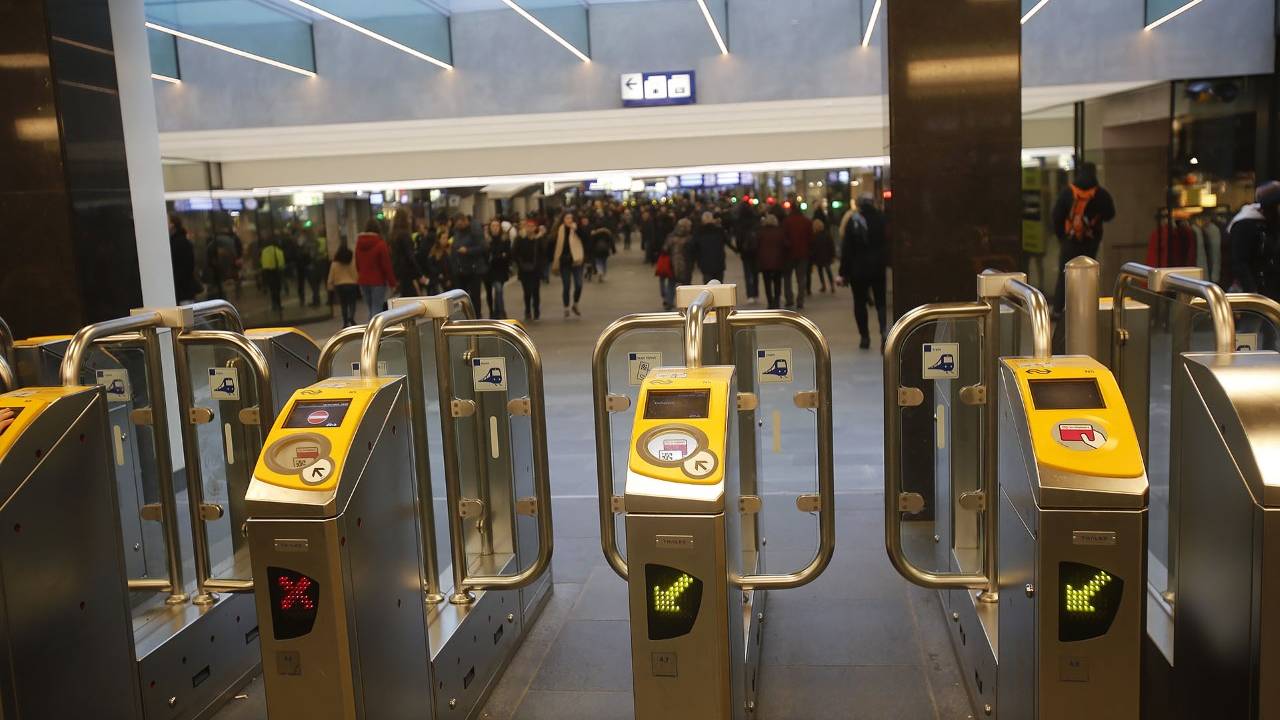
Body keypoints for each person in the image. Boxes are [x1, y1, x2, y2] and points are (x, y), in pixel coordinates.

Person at [1051, 162, 1116, 314]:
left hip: (1070, 241)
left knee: (1064, 275)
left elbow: (1056, 216)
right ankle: (1086, 309)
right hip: (1090, 242)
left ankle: (1058, 310)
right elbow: (1110, 215)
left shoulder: (1068, 192)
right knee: (1088, 276)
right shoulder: (1100, 194)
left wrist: (1063, 237)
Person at [839, 197, 888, 350]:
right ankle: (883, 332)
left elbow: (847, 248)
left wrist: (844, 272)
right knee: (880, 301)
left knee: (859, 303)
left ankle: (865, 337)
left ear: (859, 205)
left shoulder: (853, 220)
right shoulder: (881, 218)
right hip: (878, 267)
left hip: (858, 268)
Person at [1229, 181, 1280, 297]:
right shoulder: (1245, 225)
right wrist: (1252, 292)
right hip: (1258, 294)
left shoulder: (1272, 224)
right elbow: (1240, 262)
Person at [355, 219, 395, 319]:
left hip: (363, 280)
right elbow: (386, 265)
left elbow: (357, 263)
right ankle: (375, 332)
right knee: (377, 308)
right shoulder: (380, 244)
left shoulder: (358, 244)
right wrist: (392, 283)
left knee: (370, 308)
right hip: (378, 281)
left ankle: (370, 331)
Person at [551, 211, 586, 318]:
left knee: (579, 284)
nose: (569, 220)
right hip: (564, 262)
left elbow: (586, 239)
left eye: (571, 218)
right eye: (567, 218)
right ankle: (566, 307)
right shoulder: (559, 230)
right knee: (566, 285)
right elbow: (552, 244)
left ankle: (575, 304)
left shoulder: (577, 229)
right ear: (563, 219)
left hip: (577, 261)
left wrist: (577, 230)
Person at [451, 216, 488, 312]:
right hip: (461, 270)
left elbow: (482, 247)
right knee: (461, 297)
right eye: (457, 224)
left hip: (474, 269)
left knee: (475, 296)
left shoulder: (475, 231)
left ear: (465, 221)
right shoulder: (457, 232)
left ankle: (477, 315)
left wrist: (468, 251)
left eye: (460, 224)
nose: (459, 226)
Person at [389, 212, 427, 299]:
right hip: (407, 272)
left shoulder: (392, 235)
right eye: (408, 218)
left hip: (397, 271)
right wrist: (420, 274)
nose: (410, 221)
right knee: (412, 299)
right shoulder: (405, 235)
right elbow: (410, 257)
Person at [783, 204, 813, 309]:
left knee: (787, 278)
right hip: (803, 254)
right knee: (801, 278)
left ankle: (789, 299)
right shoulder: (807, 222)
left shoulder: (787, 222)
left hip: (789, 254)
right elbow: (811, 239)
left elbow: (784, 237)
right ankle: (800, 300)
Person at [756, 214, 788, 309]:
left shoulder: (761, 232)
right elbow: (785, 245)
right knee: (777, 282)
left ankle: (770, 302)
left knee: (767, 283)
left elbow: (756, 246)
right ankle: (777, 301)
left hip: (765, 262)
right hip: (778, 261)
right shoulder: (780, 232)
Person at [514, 220, 544, 320]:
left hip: (536, 269)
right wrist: (520, 264)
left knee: (536, 291)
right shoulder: (520, 239)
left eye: (532, 226)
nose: (530, 228)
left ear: (535, 228)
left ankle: (536, 310)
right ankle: (527, 309)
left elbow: (544, 252)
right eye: (528, 226)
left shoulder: (538, 239)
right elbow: (515, 252)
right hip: (524, 270)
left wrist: (542, 237)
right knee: (527, 292)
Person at [692, 211, 734, 283]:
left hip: (705, 263)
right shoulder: (719, 230)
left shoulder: (698, 232)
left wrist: (696, 260)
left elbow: (694, 247)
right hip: (718, 261)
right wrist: (736, 250)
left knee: (708, 285)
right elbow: (727, 242)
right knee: (719, 284)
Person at [169, 215, 200, 304]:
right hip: (183, 290)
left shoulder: (178, 243)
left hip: (183, 290)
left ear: (172, 225)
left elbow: (186, 267)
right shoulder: (181, 241)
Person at [327, 243, 360, 327]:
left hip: (339, 286)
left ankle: (345, 322)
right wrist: (357, 281)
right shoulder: (352, 262)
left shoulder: (334, 264)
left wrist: (330, 285)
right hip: (351, 284)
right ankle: (351, 317)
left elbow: (331, 276)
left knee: (343, 304)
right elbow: (355, 273)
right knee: (352, 303)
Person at [485, 219, 512, 318]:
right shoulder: (487, 240)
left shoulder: (504, 239)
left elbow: (507, 254)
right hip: (489, 270)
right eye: (493, 226)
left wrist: (498, 256)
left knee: (499, 289)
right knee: (491, 292)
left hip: (501, 269)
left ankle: (500, 312)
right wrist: (499, 255)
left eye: (497, 226)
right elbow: (487, 255)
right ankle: (494, 311)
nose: (495, 228)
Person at [735, 203, 761, 303]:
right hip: (755, 249)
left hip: (745, 251)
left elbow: (738, 236)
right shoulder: (755, 219)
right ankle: (756, 293)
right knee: (755, 272)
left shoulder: (739, 221)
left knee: (747, 272)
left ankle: (750, 295)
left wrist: (738, 249)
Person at [664, 217, 696, 289]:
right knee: (686, 287)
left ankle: (669, 299)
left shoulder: (671, 236)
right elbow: (693, 253)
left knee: (671, 284)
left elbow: (665, 249)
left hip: (671, 264)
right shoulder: (689, 239)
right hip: (686, 265)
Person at [259, 237, 286, 312]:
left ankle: (274, 305)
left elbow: (262, 262)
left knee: (272, 289)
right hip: (276, 272)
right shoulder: (278, 251)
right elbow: (282, 263)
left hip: (268, 272)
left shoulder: (264, 251)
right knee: (277, 288)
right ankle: (279, 304)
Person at [422, 227, 452, 296]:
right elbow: (430, 266)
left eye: (446, 238)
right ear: (439, 239)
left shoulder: (448, 250)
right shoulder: (434, 252)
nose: (446, 240)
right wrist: (439, 274)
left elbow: (450, 266)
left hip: (448, 281)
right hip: (437, 281)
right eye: (443, 238)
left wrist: (449, 278)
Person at [811, 216, 836, 293]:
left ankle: (823, 285)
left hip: (819, 257)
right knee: (828, 271)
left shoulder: (814, 236)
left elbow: (813, 248)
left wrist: (813, 258)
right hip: (826, 256)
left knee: (820, 271)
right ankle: (832, 285)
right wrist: (833, 255)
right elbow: (831, 245)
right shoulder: (827, 234)